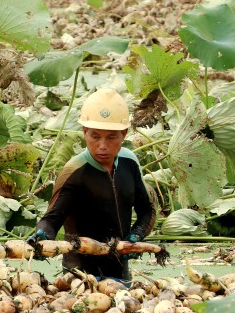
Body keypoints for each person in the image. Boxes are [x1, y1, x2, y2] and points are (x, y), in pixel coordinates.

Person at [28, 89, 154, 280]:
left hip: (120, 272)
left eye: (111, 137)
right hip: (79, 274)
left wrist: (136, 237)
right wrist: (42, 235)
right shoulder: (74, 171)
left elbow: (147, 210)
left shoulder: (130, 162)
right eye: (95, 136)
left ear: (124, 133)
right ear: (84, 132)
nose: (103, 145)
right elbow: (51, 220)